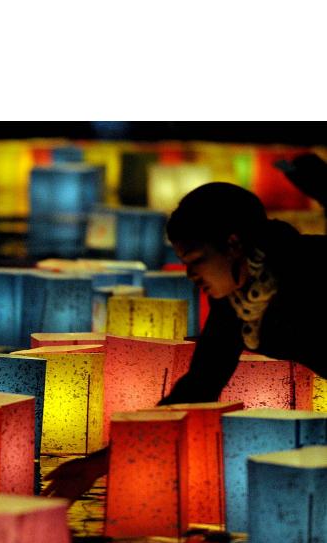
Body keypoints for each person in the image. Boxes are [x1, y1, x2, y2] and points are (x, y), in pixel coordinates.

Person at [42, 181, 327, 500]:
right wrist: (96, 465)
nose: (189, 274)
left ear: (233, 244)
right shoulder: (233, 304)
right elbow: (198, 387)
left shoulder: (311, 268)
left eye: (195, 259)